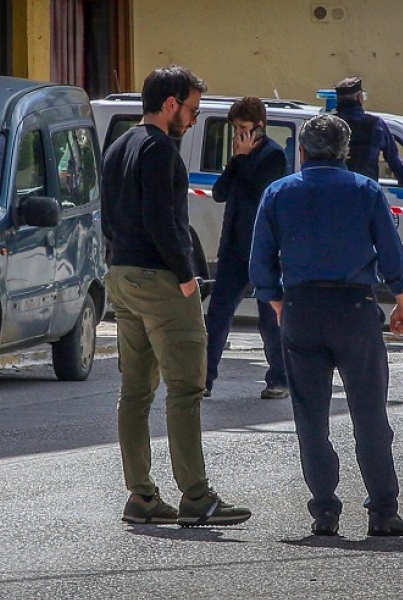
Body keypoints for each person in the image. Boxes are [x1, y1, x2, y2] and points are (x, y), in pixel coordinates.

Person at [249, 113, 403, 537]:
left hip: (302, 308)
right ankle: (382, 510)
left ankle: (324, 510)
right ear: (345, 152)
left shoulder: (278, 193)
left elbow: (260, 264)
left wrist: (279, 305)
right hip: (354, 308)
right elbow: (391, 253)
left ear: (301, 151)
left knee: (310, 415)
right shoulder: (365, 190)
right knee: (370, 414)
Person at [101, 65, 252, 527]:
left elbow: (108, 215)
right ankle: (196, 497)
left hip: (121, 275)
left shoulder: (119, 145)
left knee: (135, 392)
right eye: (191, 109)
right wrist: (187, 277)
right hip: (161, 281)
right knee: (186, 388)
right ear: (170, 105)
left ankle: (142, 497)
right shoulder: (161, 150)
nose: (193, 118)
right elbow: (162, 221)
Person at [204, 97, 289, 400]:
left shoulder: (273, 155)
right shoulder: (239, 155)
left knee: (270, 318)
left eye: (243, 128)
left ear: (259, 126)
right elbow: (219, 193)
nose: (238, 134)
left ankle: (279, 378)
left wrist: (242, 160)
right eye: (235, 128)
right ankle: (204, 379)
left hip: (264, 249)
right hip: (234, 249)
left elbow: (261, 194)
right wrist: (236, 160)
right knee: (217, 315)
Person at [333, 76, 403, 186]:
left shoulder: (330, 124)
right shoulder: (375, 124)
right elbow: (393, 158)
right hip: (366, 189)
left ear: (337, 100)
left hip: (335, 189)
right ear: (360, 98)